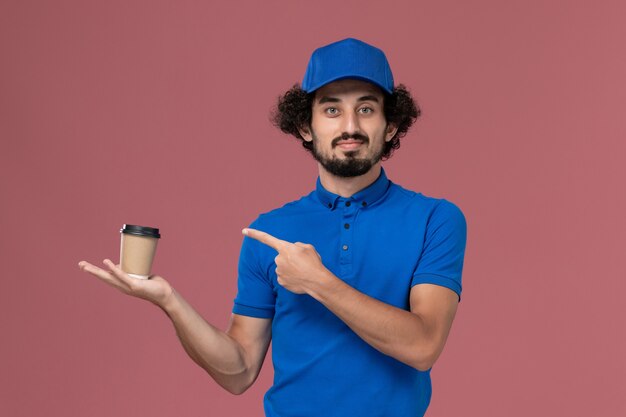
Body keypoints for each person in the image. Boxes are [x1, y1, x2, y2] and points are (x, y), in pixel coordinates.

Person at [79, 38, 467, 417]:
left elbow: (423, 345)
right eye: (332, 111)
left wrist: (318, 281)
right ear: (305, 126)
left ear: (391, 125)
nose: (350, 126)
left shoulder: (436, 218)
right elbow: (239, 370)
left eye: (366, 109)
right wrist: (168, 301)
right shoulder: (270, 231)